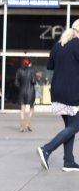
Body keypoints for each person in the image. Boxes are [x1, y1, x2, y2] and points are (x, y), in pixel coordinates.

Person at [37, 19, 79, 171]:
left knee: (70, 126)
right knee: (75, 126)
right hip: (72, 92)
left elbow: (50, 66)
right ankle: (46, 149)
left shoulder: (58, 45)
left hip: (57, 91)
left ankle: (68, 161)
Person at [15, 58, 37, 132]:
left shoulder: (19, 71)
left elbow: (16, 82)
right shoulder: (32, 70)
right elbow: (33, 81)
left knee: (22, 108)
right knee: (31, 107)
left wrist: (20, 86)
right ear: (29, 64)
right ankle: (29, 123)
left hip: (22, 91)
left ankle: (22, 125)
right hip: (30, 91)